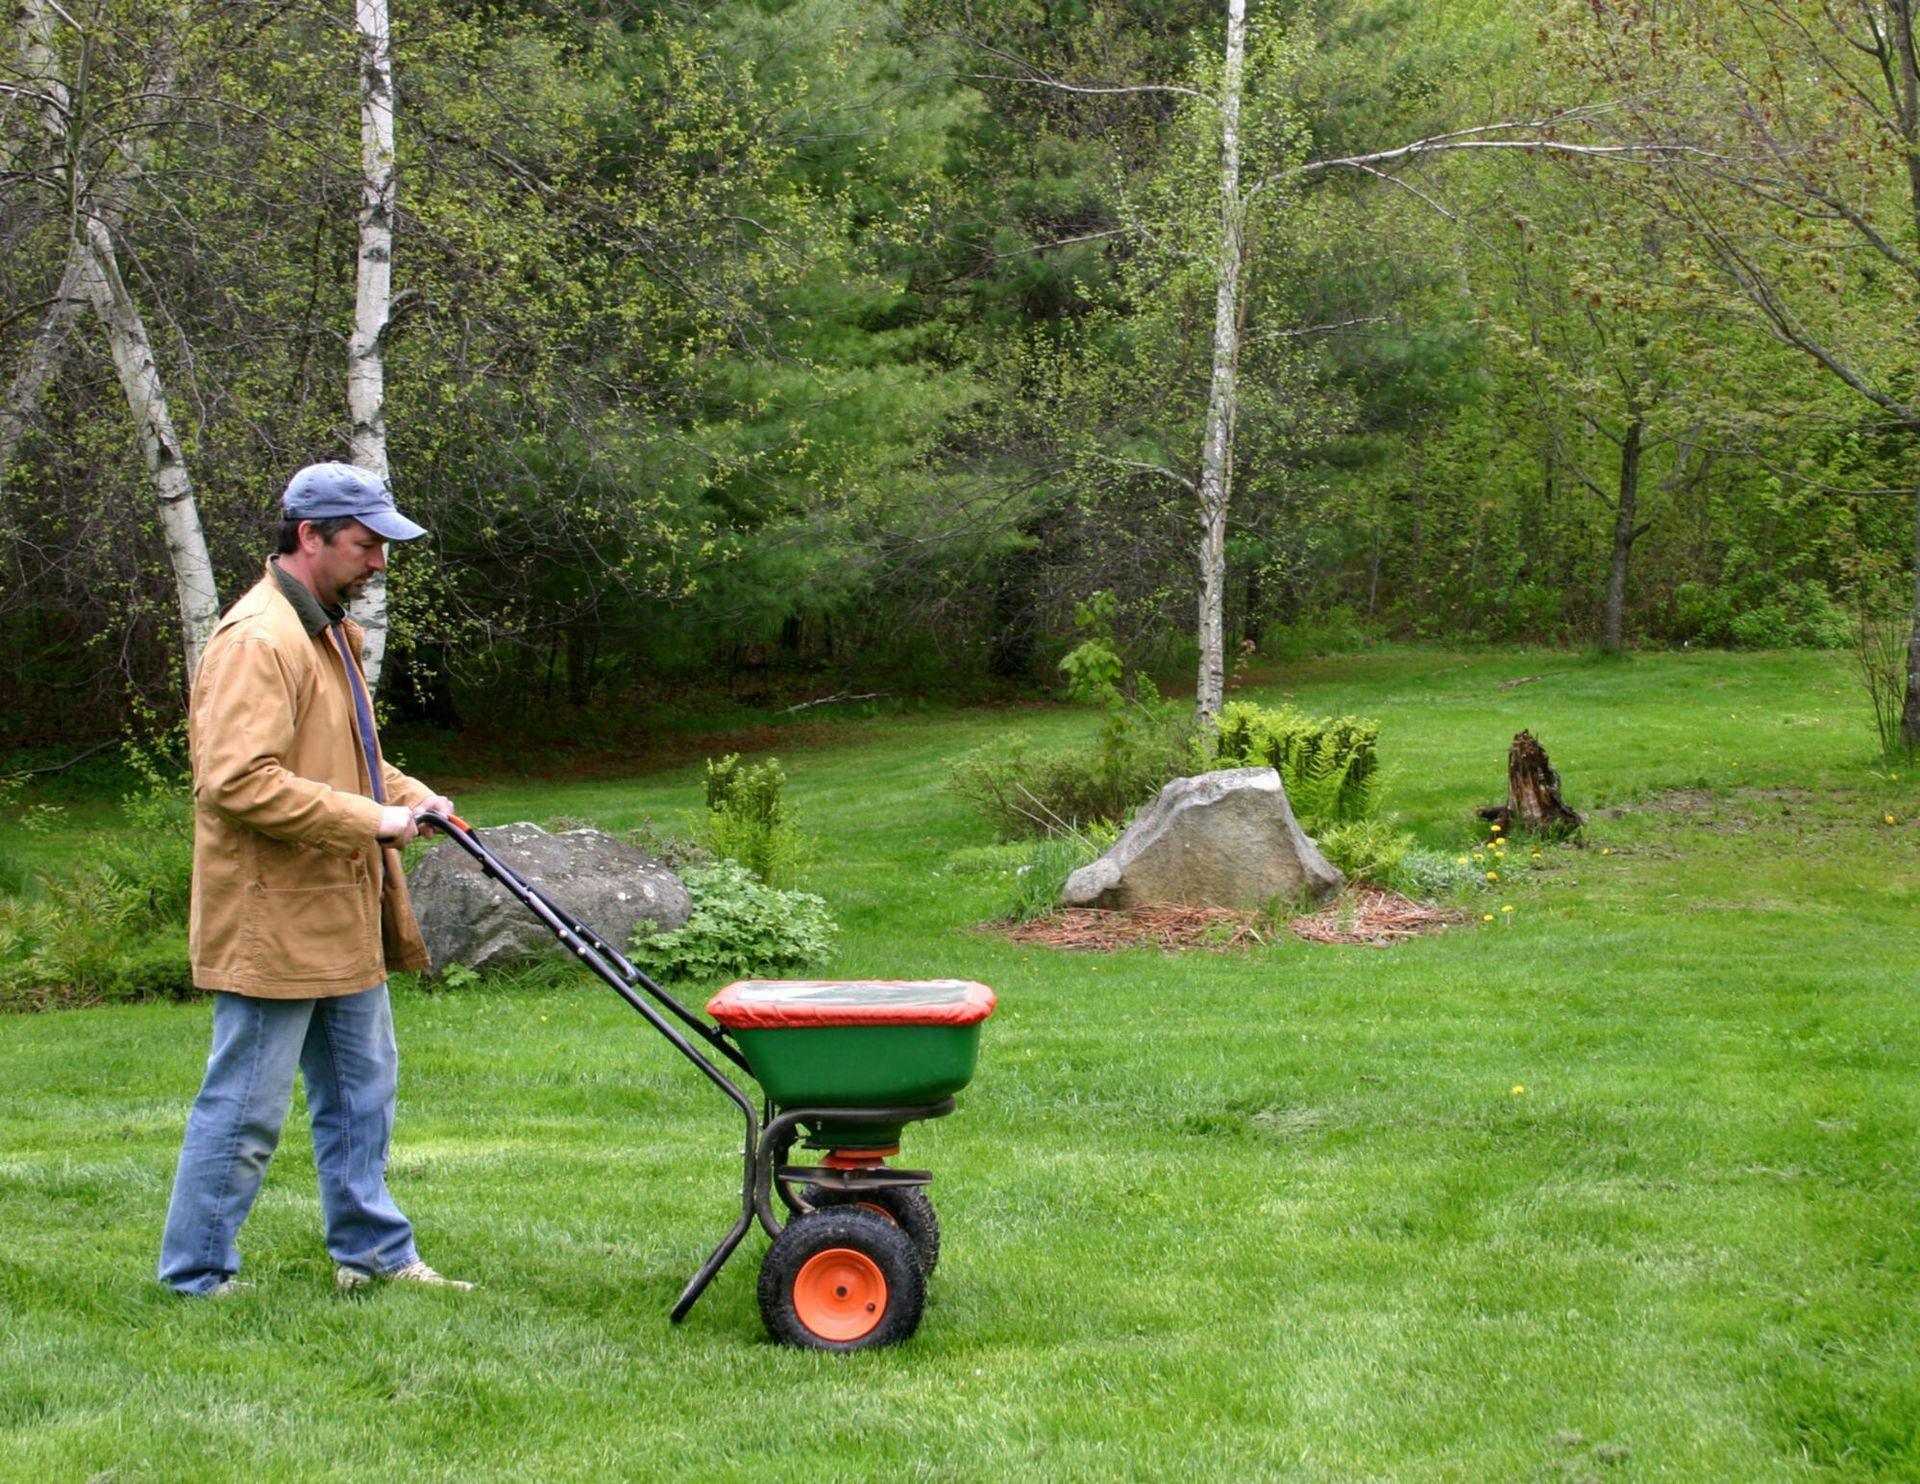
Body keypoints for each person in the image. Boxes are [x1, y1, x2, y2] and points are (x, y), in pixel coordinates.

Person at [158, 462, 470, 1297]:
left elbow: (346, 759)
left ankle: (373, 1254)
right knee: (247, 1109)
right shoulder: (259, 640)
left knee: (364, 1093)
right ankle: (197, 1273)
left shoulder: (328, 628)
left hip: (339, 909)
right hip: (273, 919)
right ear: (311, 537)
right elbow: (238, 780)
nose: (378, 563)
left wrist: (412, 797)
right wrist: (372, 821)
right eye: (366, 545)